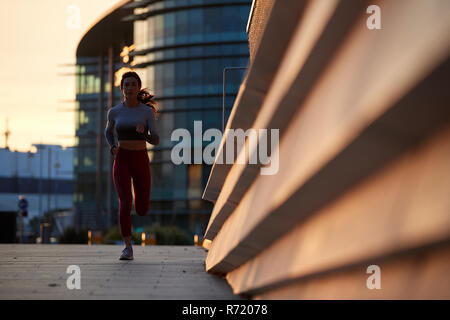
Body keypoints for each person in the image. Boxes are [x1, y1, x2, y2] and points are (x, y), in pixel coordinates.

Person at [104, 71, 160, 260]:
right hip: (122, 159)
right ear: (122, 88)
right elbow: (108, 132)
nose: (129, 88)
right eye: (126, 84)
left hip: (141, 159)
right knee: (124, 202)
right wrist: (112, 147)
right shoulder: (114, 112)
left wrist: (144, 134)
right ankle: (127, 247)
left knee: (142, 208)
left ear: (138, 87)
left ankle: (140, 206)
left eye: (133, 84)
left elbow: (156, 140)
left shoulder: (146, 112)